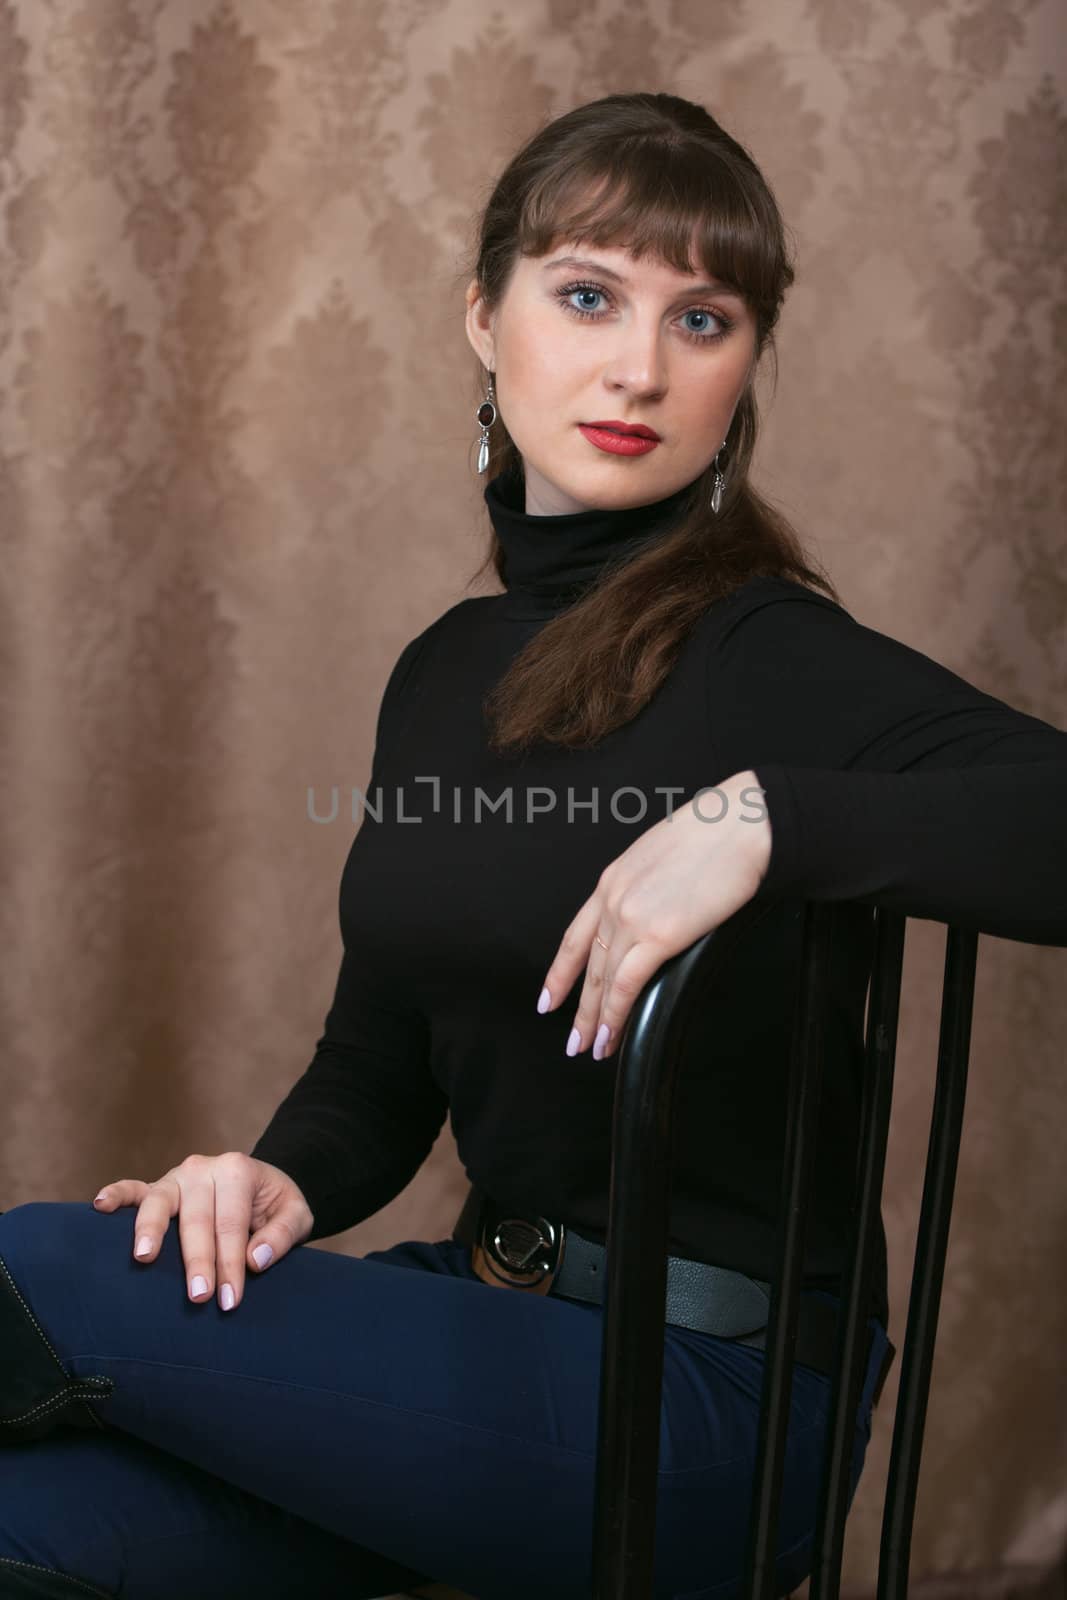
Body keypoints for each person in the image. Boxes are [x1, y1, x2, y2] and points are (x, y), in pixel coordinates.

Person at [1, 90, 1065, 1600]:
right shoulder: (445, 672)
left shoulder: (776, 657)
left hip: (705, 1411)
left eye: (704, 321)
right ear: (483, 323)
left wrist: (771, 819)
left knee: (43, 1274)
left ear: (747, 365)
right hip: (485, 1340)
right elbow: (382, 1064)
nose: (640, 364)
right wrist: (281, 1179)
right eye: (587, 297)